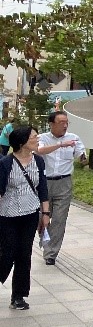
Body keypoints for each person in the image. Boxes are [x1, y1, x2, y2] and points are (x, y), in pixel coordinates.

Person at [0, 127, 51, 310]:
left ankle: (19, 295)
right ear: (22, 142)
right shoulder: (5, 163)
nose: (37, 140)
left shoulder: (38, 161)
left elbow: (42, 188)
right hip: (7, 215)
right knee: (7, 253)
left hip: (30, 214)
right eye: (34, 137)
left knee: (24, 255)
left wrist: (45, 214)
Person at [35, 109, 86, 265]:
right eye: (61, 122)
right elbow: (39, 150)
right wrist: (60, 145)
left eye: (66, 123)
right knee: (42, 218)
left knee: (59, 219)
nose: (65, 126)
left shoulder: (73, 138)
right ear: (51, 124)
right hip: (43, 182)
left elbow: (81, 155)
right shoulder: (42, 138)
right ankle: (44, 239)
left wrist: (84, 158)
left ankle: (50, 253)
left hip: (64, 183)